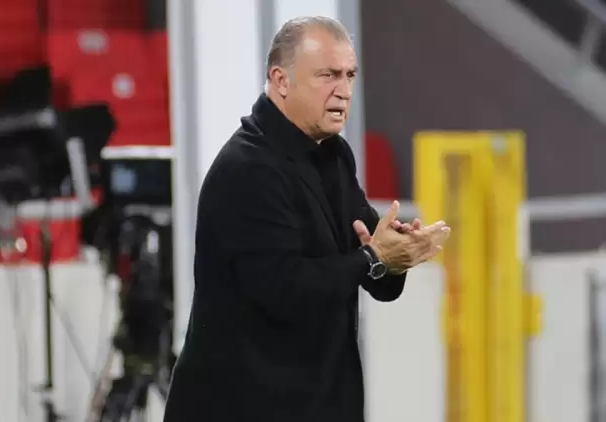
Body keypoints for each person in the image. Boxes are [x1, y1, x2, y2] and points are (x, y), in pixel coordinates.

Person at [163, 16, 451, 422]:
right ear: (281, 81)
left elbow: (374, 276)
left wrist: (396, 255)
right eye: (327, 75)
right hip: (244, 407)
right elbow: (284, 290)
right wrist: (373, 258)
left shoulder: (334, 155)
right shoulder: (248, 169)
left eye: (349, 75)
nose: (344, 91)